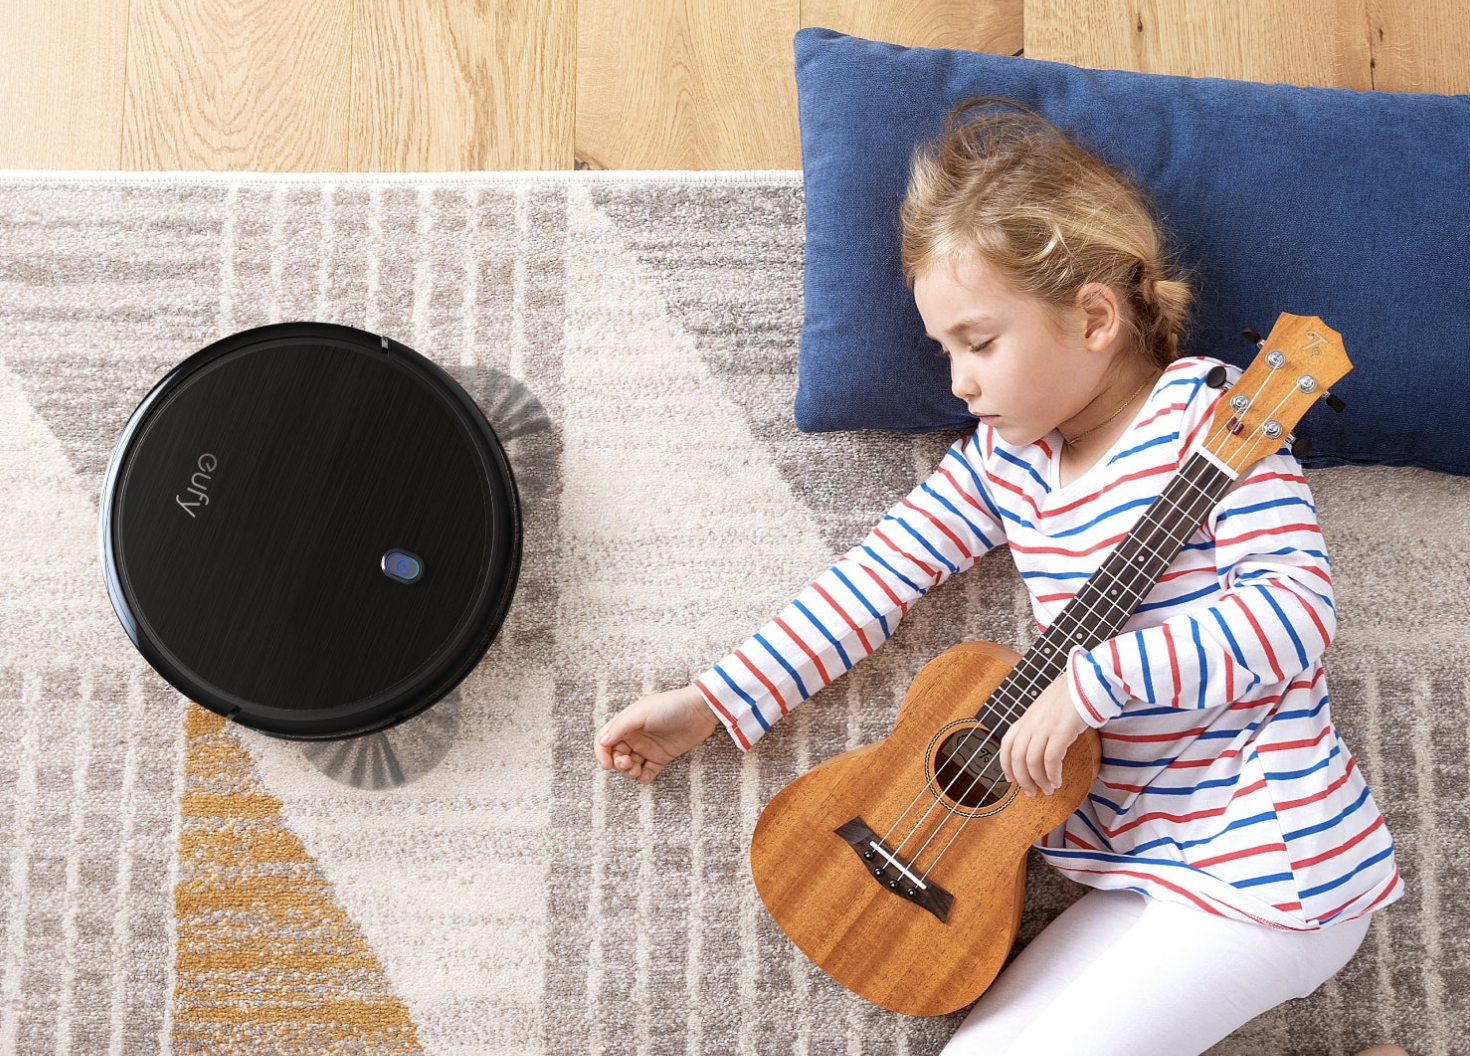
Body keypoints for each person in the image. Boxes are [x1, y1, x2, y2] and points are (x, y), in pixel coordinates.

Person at [592, 97, 1408, 1056]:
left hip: (1272, 859)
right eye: (945, 351)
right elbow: (876, 579)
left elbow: (1292, 618)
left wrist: (1091, 684)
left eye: (978, 343)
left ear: (1094, 316)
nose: (958, 384)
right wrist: (713, 703)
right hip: (1133, 863)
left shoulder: (1219, 427)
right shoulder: (1004, 460)